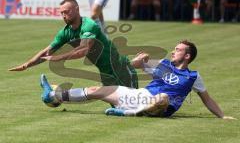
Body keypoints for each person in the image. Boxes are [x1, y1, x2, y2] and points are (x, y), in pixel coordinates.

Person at [40, 40, 236, 119]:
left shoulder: (193, 77)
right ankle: (53, 96)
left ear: (187, 56)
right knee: (97, 90)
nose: (173, 51)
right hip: (138, 96)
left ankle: (128, 113)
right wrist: (138, 60)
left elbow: (207, 98)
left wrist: (221, 115)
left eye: (178, 50)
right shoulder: (162, 64)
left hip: (158, 105)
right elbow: (130, 67)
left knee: (162, 98)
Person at [9, 0, 138, 88]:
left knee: (135, 108)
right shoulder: (65, 32)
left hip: (121, 69)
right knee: (119, 108)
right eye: (62, 13)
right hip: (105, 73)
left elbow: (83, 50)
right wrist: (27, 64)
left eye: (67, 11)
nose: (64, 15)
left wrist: (58, 58)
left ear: (77, 9)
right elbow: (47, 52)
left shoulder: (89, 25)